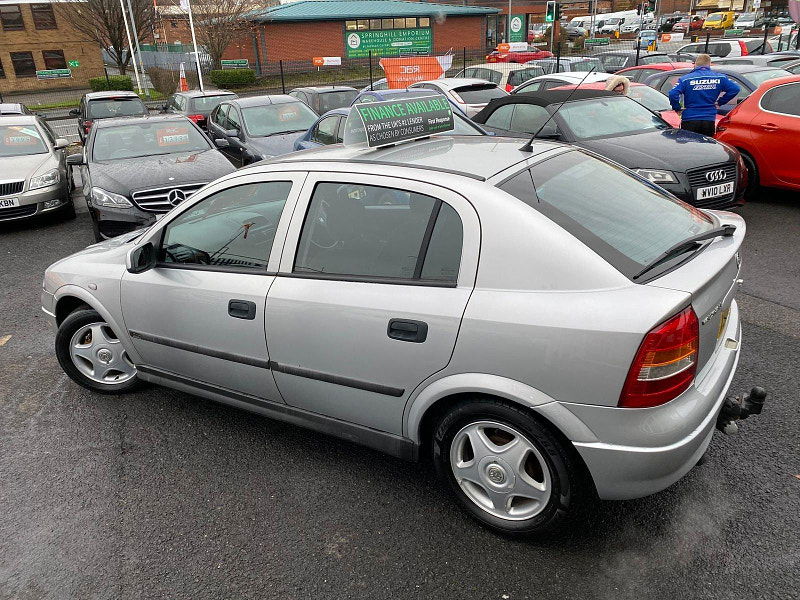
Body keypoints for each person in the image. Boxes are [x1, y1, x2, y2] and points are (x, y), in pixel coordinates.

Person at [668, 54, 740, 136]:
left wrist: (677, 108)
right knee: (706, 146)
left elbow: (672, 93)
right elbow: (735, 89)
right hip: (709, 119)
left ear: (695, 64)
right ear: (709, 64)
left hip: (690, 118)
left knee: (690, 146)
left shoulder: (686, 79)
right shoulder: (720, 78)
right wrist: (720, 102)